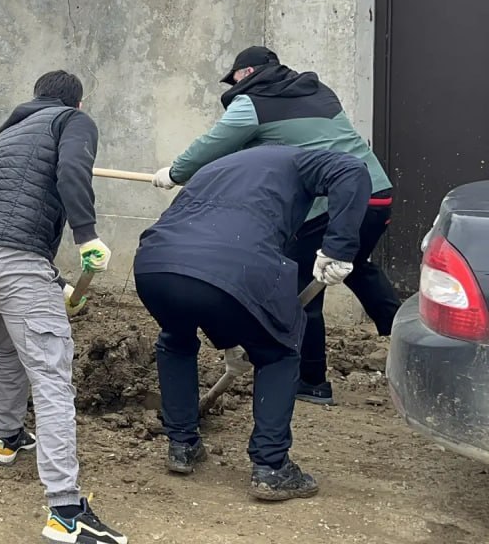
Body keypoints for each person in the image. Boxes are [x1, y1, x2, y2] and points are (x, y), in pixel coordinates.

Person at [151, 46, 399, 405]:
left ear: (247, 72)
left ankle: (311, 380)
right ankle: (407, 347)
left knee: (300, 284)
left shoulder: (253, 102)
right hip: (375, 195)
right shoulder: (319, 92)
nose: (232, 83)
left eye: (234, 76)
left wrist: (174, 173)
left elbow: (215, 145)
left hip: (333, 200)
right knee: (357, 266)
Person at [135, 145, 370, 501]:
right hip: (234, 267)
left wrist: (234, 335)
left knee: (176, 339)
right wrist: (339, 248)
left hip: (156, 264)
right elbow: (352, 171)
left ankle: (181, 445)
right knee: (278, 352)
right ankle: (272, 467)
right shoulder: (299, 158)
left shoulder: (218, 168)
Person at [0, 70, 126, 544]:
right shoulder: (73, 121)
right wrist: (87, 236)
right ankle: (67, 512)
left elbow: (4, 206)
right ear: (78, 103)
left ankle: (7, 439)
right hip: (13, 259)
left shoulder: (8, 135)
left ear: (34, 98)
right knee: (51, 373)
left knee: (6, 345)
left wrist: (54, 280)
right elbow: (72, 172)